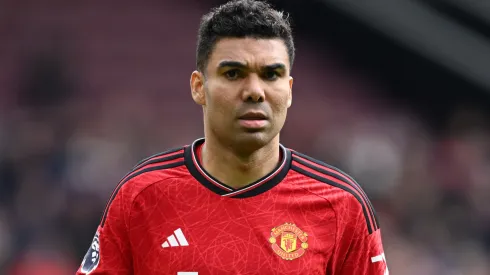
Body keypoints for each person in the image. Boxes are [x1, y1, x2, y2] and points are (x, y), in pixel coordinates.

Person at [76, 0, 388, 274]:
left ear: (289, 90)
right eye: (233, 74)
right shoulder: (141, 196)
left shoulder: (341, 205)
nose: (254, 91)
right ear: (199, 87)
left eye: (271, 75)